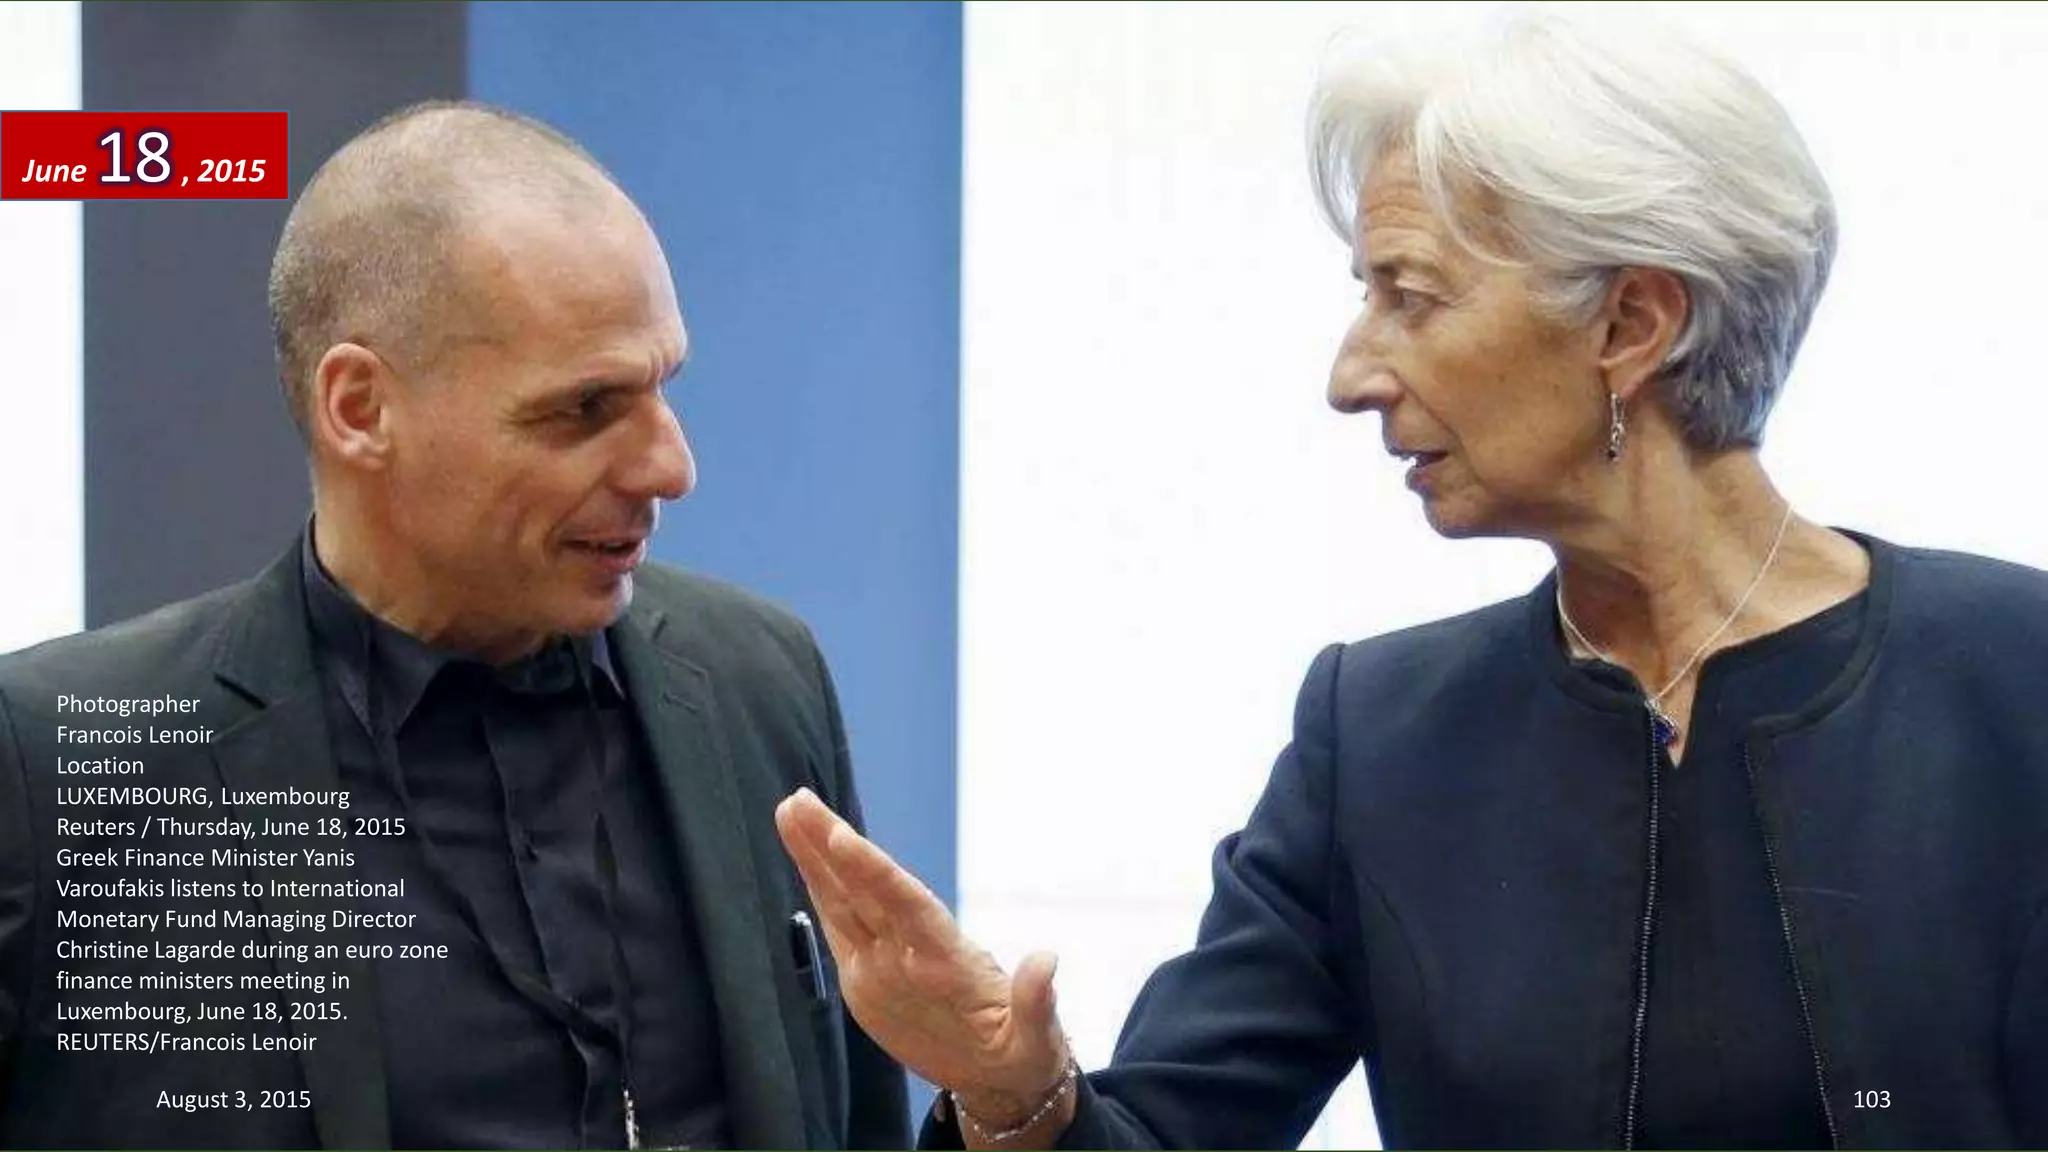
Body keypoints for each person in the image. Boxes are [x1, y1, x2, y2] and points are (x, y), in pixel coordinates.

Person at [774, 10, 2048, 1150]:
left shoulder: (2015, 679)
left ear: (1629, 324)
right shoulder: (1377, 735)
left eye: (1410, 297)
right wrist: (1015, 1093)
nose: (1352, 373)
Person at [0, 101, 908, 1149]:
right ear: (359, 408)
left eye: (663, 389)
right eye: (582, 410)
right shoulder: (54, 763)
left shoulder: (757, 676)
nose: (671, 467)